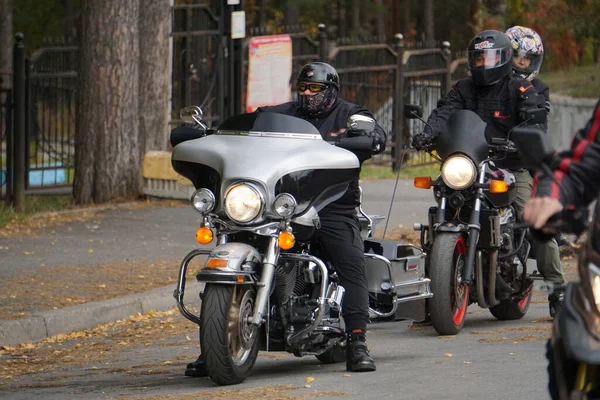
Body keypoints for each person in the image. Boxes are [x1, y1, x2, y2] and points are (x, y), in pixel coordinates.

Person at [185, 62, 386, 377]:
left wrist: (367, 136)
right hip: (277, 204)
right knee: (236, 237)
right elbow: (244, 131)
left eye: (315, 88)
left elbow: (370, 131)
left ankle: (357, 340)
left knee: (349, 258)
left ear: (331, 90)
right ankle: (215, 344)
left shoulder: (350, 113)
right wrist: (206, 135)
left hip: (330, 203)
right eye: (303, 88)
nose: (307, 94)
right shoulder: (280, 113)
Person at [411, 30, 564, 317]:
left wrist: (530, 124)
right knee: (439, 205)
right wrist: (427, 133)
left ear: (505, 59)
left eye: (491, 57)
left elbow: (534, 112)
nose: (485, 63)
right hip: (468, 164)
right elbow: (444, 112)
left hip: (509, 165)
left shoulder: (520, 88)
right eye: (479, 57)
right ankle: (437, 291)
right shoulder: (463, 88)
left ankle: (558, 289)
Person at [505, 26, 550, 112]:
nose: (522, 62)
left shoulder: (539, 87)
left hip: (525, 125)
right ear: (507, 55)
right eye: (517, 56)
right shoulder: (498, 83)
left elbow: (540, 123)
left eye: (527, 58)